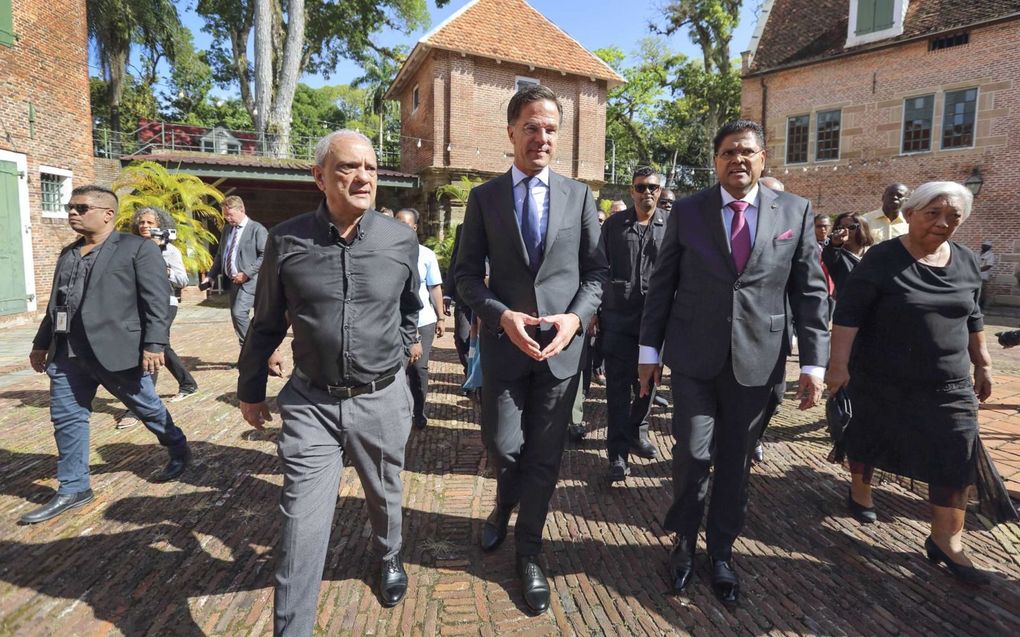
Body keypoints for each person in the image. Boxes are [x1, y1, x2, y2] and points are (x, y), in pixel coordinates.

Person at [236, 130, 421, 633]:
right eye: (347, 167)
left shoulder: (399, 239)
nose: (363, 177)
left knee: (385, 494)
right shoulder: (287, 239)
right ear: (319, 177)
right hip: (311, 403)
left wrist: (404, 345)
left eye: (371, 168)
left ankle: (388, 555)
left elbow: (411, 306)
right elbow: (267, 319)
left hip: (381, 398)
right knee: (301, 524)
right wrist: (250, 387)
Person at [638, 120, 829, 604]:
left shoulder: (796, 211)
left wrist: (813, 363)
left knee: (735, 463)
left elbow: (808, 291)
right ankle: (684, 541)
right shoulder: (688, 211)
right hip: (695, 358)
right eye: (727, 152)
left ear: (763, 159)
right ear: (716, 160)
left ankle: (721, 552)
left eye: (746, 152)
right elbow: (662, 286)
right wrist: (648, 352)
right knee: (692, 454)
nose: (737, 160)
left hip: (758, 360)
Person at [455, 85, 607, 614]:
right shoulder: (484, 198)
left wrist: (575, 317)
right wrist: (500, 314)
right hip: (504, 347)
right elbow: (465, 276)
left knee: (545, 457)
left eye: (550, 129)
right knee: (503, 447)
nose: (541, 137)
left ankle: (530, 551)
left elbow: (597, 274)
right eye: (532, 127)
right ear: (511, 132)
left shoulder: (580, 196)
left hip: (562, 354)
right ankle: (503, 502)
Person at [826, 181, 993, 586]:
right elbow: (848, 314)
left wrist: (983, 362)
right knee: (872, 434)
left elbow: (972, 315)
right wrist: (837, 366)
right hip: (884, 376)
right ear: (912, 214)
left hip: (949, 383)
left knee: (957, 452)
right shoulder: (882, 259)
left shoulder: (967, 261)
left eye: (953, 216)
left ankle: (946, 540)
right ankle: (860, 492)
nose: (943, 223)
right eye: (933, 213)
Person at [22, 185, 191, 524]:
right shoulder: (68, 254)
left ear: (107, 214)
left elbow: (156, 301)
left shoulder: (137, 249)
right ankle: (74, 487)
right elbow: (57, 305)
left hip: (118, 352)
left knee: (147, 407)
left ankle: (177, 446)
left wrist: (154, 344)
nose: (72, 212)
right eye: (70, 206)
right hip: (68, 355)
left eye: (81, 207)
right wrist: (41, 343)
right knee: (66, 418)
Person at [599, 166, 668, 482]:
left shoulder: (671, 227)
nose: (647, 193)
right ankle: (617, 456)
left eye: (652, 187)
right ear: (631, 191)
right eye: (641, 187)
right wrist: (594, 313)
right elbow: (598, 269)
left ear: (660, 189)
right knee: (616, 393)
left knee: (648, 387)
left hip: (655, 324)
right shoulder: (614, 226)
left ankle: (634, 432)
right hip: (618, 321)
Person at [396, 207, 444, 429]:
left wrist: (441, 317)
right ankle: (401, 412)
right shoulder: (387, 252)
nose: (399, 226)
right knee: (399, 368)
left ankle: (418, 409)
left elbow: (434, 287)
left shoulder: (425, 255)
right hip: (394, 321)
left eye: (405, 223)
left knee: (417, 367)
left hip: (423, 320)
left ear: (414, 227)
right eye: (397, 222)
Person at [203, 195, 267, 346]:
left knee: (239, 314)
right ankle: (246, 353)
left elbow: (266, 255)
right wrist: (211, 276)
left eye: (230, 214)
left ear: (242, 210)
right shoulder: (227, 230)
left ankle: (257, 349)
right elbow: (220, 255)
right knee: (235, 317)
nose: (227, 219)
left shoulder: (257, 229)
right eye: (225, 215)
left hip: (250, 281)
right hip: (233, 282)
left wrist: (246, 273)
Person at [822, 212, 874, 295]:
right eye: (841, 227)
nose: (846, 231)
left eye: (851, 227)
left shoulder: (874, 253)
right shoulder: (836, 255)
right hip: (848, 304)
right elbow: (830, 255)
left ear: (862, 228)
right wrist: (835, 243)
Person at [979, 241, 996, 310]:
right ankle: (975, 304)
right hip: (975, 275)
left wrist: (977, 270)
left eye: (985, 245)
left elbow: (988, 265)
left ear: (989, 247)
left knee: (982, 291)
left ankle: (981, 305)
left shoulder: (990, 255)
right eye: (983, 245)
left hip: (983, 276)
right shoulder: (978, 253)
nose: (983, 246)